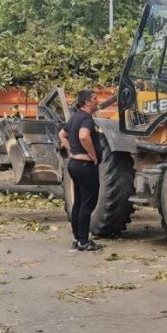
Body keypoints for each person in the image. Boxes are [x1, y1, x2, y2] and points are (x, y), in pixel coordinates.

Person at [58, 89, 102, 251]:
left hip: (74, 165)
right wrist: (93, 155)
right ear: (87, 102)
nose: (98, 101)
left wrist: (71, 151)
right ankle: (84, 241)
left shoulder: (74, 118)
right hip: (85, 166)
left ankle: (77, 239)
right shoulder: (87, 119)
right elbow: (84, 136)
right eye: (95, 98)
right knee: (87, 204)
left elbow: (62, 134)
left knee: (78, 203)